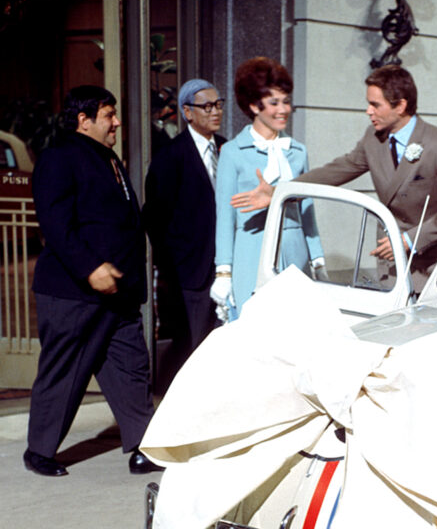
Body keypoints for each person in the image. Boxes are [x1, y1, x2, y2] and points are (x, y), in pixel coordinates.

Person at [230, 64, 437, 293]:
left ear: (400, 106)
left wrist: (410, 240)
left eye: (375, 105)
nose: (368, 111)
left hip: (434, 267)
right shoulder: (373, 138)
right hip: (392, 269)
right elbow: (339, 169)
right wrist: (281, 191)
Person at [24, 85, 158, 477]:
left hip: (118, 293)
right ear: (84, 121)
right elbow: (55, 225)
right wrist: (89, 268)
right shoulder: (59, 158)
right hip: (73, 293)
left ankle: (143, 444)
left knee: (131, 366)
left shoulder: (108, 158)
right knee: (64, 370)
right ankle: (39, 451)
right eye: (108, 114)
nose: (116, 121)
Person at [211, 57, 322, 319]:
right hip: (251, 252)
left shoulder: (297, 151)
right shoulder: (232, 152)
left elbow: (308, 210)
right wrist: (223, 271)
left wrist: (317, 257)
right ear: (253, 105)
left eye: (286, 101)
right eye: (274, 102)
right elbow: (224, 218)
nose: (283, 109)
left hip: (296, 253)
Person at [144, 79, 226, 379]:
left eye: (218, 104)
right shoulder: (170, 157)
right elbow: (155, 218)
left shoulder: (227, 149)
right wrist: (173, 266)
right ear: (187, 112)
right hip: (190, 273)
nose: (215, 111)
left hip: (226, 268)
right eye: (207, 106)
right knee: (191, 347)